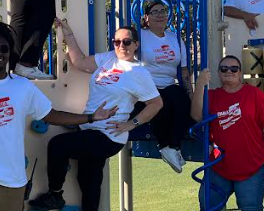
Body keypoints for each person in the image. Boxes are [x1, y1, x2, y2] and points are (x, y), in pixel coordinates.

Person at [0, 21, 118, 211]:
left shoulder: (23, 87)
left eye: (4, 48)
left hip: (13, 182)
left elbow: (52, 115)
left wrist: (91, 117)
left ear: (10, 52)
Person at [29, 19, 163, 211]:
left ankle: (55, 195)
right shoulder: (108, 59)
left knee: (58, 145)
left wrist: (131, 124)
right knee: (88, 181)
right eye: (117, 42)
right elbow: (80, 62)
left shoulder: (139, 72)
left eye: (126, 42)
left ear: (135, 44)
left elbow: (156, 103)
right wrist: (68, 33)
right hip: (90, 128)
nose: (121, 46)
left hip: (108, 135)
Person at [191, 56, 264, 211]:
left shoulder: (254, 94)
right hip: (219, 166)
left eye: (234, 68)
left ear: (240, 73)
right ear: (218, 73)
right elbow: (197, 116)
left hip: (252, 167)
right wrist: (199, 84)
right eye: (224, 69)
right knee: (208, 206)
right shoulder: (212, 96)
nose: (229, 71)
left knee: (250, 207)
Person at [139, 0, 195, 173]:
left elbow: (184, 70)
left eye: (162, 11)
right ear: (146, 17)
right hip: (147, 84)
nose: (159, 15)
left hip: (168, 83)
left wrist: (190, 91)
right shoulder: (140, 36)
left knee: (183, 103)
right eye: (154, 12)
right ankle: (165, 146)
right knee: (160, 104)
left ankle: (173, 147)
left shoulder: (175, 38)